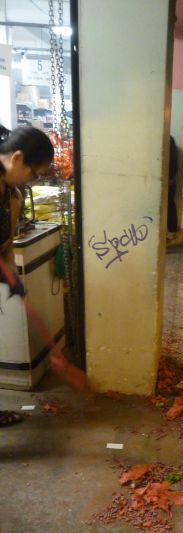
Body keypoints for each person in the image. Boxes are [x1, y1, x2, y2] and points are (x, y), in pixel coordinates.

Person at [0, 125, 54, 427]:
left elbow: (4, 243)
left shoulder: (12, 194)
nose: (34, 181)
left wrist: (12, 275)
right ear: (18, 158)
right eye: (35, 173)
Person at [167, 135, 178, 238]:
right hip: (168, 178)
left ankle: (172, 229)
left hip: (168, 179)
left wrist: (170, 177)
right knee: (169, 203)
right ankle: (171, 229)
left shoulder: (168, 138)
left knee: (169, 204)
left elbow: (174, 161)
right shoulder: (169, 138)